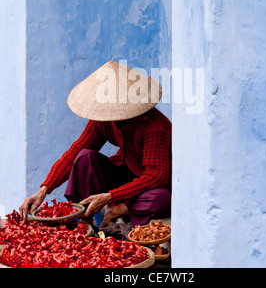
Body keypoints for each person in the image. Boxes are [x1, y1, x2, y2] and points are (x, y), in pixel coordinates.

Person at [19, 61, 171, 228]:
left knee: (159, 199)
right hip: (124, 175)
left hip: (150, 185)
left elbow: (157, 176)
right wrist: (44, 190)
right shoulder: (103, 120)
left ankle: (119, 210)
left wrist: (111, 197)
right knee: (85, 157)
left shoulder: (154, 126)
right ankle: (84, 220)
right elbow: (74, 153)